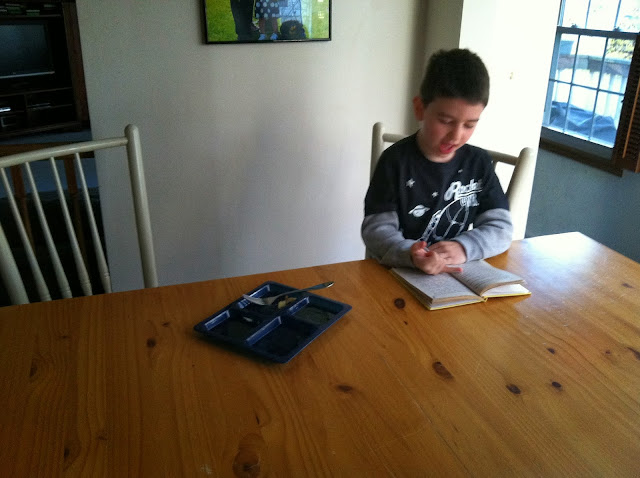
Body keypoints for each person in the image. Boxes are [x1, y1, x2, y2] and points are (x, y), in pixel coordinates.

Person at [362, 48, 513, 275]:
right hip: (398, 273)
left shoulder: (479, 163)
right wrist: (411, 255)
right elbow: (376, 230)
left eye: (469, 125)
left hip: (455, 275)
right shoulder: (395, 161)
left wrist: (464, 247)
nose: (456, 136)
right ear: (420, 108)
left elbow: (501, 229)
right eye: (446, 121)